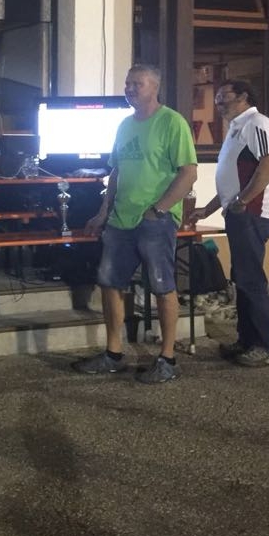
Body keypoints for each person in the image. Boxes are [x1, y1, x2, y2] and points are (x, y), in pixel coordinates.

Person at [72, 63, 198, 384]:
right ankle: (113, 354)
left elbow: (188, 173)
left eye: (136, 84)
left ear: (155, 87)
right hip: (120, 220)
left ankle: (167, 358)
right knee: (110, 284)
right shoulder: (124, 125)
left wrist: (160, 208)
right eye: (128, 83)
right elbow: (116, 172)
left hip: (155, 220)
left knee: (162, 287)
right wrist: (103, 212)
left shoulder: (172, 122)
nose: (129, 89)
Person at [189, 80, 269, 367]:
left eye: (224, 96)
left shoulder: (257, 123)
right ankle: (246, 340)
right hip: (240, 212)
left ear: (243, 96)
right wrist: (209, 209)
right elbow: (232, 179)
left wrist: (243, 200)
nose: (218, 102)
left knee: (250, 279)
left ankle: (263, 346)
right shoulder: (235, 129)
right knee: (242, 277)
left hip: (253, 213)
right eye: (217, 97)